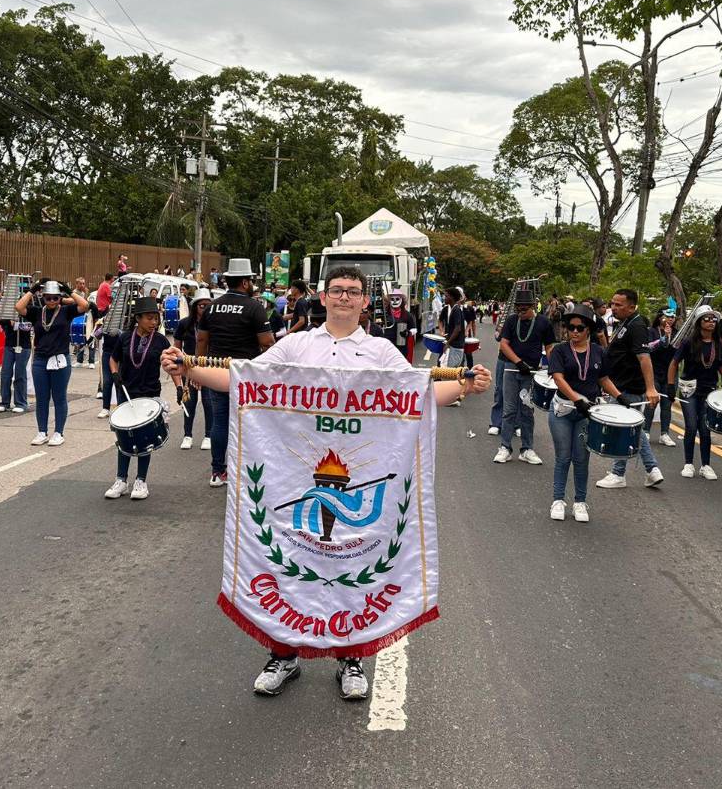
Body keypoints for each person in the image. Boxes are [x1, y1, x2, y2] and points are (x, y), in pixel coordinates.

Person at [160, 265, 491, 701]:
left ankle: (350, 658)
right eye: (337, 290)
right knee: (287, 565)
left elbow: (420, 400)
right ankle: (282, 654)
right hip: (292, 479)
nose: (344, 298)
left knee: (351, 566)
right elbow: (244, 382)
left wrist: (467, 386)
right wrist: (191, 368)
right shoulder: (294, 344)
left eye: (353, 292)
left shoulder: (382, 354)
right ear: (321, 296)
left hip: (353, 478)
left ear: (364, 301)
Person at [197, 258, 274, 487]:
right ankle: (245, 470)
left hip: (216, 371)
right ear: (244, 282)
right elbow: (268, 342)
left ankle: (217, 471)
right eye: (250, 280)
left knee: (219, 422)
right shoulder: (254, 307)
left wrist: (198, 369)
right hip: (246, 373)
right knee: (248, 422)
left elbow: (201, 339)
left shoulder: (212, 307)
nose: (251, 283)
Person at [547, 304, 624, 523]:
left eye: (579, 328)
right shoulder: (560, 351)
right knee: (563, 457)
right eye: (570, 327)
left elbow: (603, 379)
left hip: (587, 412)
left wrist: (619, 397)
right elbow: (558, 378)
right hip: (563, 410)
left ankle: (580, 502)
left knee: (581, 459)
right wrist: (576, 399)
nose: (574, 332)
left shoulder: (599, 351)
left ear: (588, 329)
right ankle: (558, 500)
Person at [595, 290, 664, 489]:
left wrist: (651, 388)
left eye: (619, 305)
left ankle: (619, 473)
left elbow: (644, 357)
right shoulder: (627, 323)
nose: (613, 308)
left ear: (632, 307)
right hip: (620, 384)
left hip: (629, 388)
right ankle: (651, 470)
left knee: (624, 429)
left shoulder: (637, 326)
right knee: (632, 429)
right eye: (612, 303)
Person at [104, 297, 171, 500]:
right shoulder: (125, 338)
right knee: (124, 437)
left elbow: (172, 364)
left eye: (156, 318)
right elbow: (113, 359)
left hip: (149, 395)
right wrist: (114, 373)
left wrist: (180, 388)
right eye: (150, 318)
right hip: (126, 394)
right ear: (138, 318)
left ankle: (141, 481)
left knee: (143, 439)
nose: (154, 322)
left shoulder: (160, 340)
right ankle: (121, 480)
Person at [16, 279, 89, 447]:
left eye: (55, 298)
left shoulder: (66, 311)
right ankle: (42, 431)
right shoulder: (36, 312)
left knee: (59, 397)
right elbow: (19, 307)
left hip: (60, 359)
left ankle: (58, 432)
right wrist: (33, 290)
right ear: (43, 297)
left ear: (59, 298)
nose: (51, 301)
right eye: (48, 298)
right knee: (42, 398)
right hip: (40, 359)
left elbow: (85, 306)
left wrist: (69, 291)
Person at [670, 307, 722, 480]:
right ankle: (688, 464)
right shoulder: (688, 343)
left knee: (705, 430)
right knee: (691, 426)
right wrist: (670, 386)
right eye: (707, 319)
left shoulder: (719, 345)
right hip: (688, 390)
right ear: (699, 322)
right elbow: (674, 364)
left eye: (713, 319)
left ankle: (706, 465)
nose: (711, 322)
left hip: (709, 391)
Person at [493, 289, 554, 466]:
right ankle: (505, 447)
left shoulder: (543, 322)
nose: (521, 312)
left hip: (532, 372)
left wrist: (553, 368)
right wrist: (518, 362)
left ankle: (527, 449)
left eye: (524, 309)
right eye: (518, 308)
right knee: (509, 409)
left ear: (533, 307)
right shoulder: (512, 321)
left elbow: (549, 347)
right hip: (512, 370)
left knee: (527, 410)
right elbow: (504, 344)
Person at [174, 288, 213, 449]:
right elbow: (176, 347)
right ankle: (187, 435)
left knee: (209, 402)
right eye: (202, 305)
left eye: (208, 305)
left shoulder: (215, 323)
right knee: (189, 401)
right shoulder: (185, 323)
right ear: (195, 306)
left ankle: (209, 436)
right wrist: (183, 363)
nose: (204, 308)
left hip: (209, 368)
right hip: (189, 368)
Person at [0, 284, 31, 414]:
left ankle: (21, 402)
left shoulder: (29, 310)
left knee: (20, 374)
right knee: (5, 373)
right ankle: (4, 402)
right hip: (10, 344)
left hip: (24, 345)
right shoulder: (7, 310)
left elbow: (29, 326)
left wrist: (17, 323)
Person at [646, 310, 678, 446]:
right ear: (660, 317)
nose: (670, 319)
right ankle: (646, 431)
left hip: (670, 374)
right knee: (651, 403)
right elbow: (648, 348)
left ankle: (664, 433)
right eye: (667, 317)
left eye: (673, 317)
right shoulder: (651, 331)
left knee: (667, 404)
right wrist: (663, 338)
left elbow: (679, 351)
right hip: (654, 372)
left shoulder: (677, 333)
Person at [384, 286, 417, 362]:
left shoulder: (407, 315)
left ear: (402, 300)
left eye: (397, 299)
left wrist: (408, 333)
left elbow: (414, 329)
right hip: (387, 347)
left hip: (401, 347)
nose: (395, 301)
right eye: (392, 299)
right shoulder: (385, 314)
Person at [440, 287, 466, 370]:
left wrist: (448, 343)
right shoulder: (454, 309)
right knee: (448, 370)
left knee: (452, 372)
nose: (444, 298)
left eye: (446, 296)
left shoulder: (456, 310)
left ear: (452, 297)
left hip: (456, 346)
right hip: (454, 345)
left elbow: (457, 328)